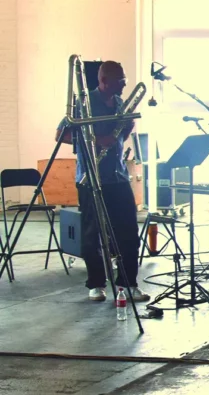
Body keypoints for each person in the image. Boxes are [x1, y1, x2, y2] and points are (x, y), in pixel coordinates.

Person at [56, 61, 148, 303]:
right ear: (104, 81)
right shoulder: (84, 104)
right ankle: (96, 284)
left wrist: (127, 129)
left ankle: (128, 284)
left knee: (129, 232)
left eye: (125, 81)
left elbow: (118, 140)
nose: (124, 86)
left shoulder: (118, 102)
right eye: (120, 81)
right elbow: (62, 135)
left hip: (117, 176)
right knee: (92, 234)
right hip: (90, 177)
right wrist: (96, 139)